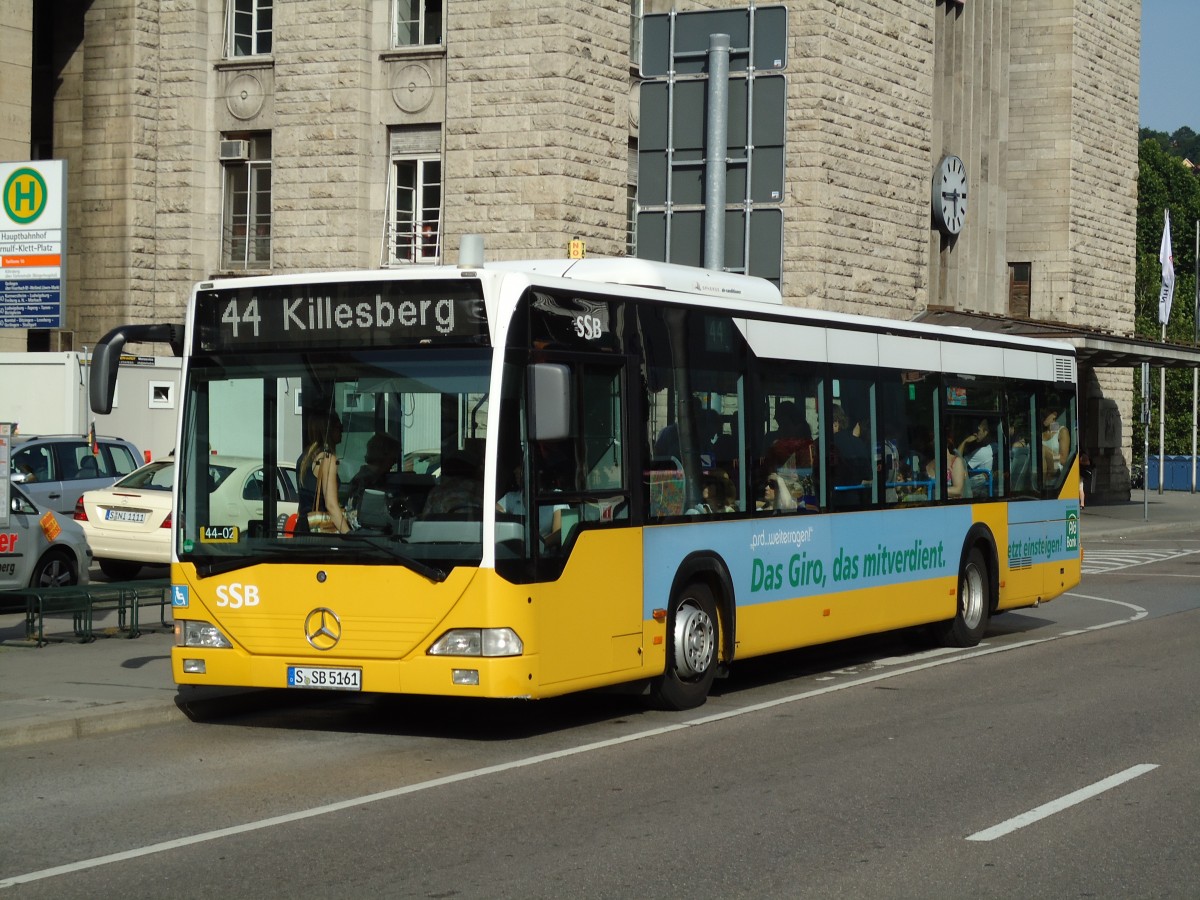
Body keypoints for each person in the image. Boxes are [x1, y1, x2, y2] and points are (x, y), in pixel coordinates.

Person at [297, 412, 351, 533]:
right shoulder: (327, 459)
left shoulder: (304, 458)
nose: (342, 431)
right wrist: (350, 535)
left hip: (303, 528)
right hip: (320, 533)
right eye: (339, 427)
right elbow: (331, 506)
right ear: (329, 430)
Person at [346, 432, 401, 527]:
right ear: (384, 454)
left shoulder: (378, 478)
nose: (395, 462)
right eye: (393, 457)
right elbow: (368, 515)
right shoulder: (365, 481)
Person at [957, 418, 994, 495]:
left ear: (985, 432)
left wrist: (965, 441)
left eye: (978, 430)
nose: (975, 434)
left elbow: (957, 461)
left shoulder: (983, 451)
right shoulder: (992, 447)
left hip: (976, 489)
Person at [927, 434, 970, 499]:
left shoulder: (956, 461)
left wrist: (937, 492)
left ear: (947, 443)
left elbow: (958, 490)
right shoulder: (928, 465)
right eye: (934, 442)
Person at [1042, 408, 1071, 480]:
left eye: (1045, 415)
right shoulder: (1041, 434)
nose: (1042, 418)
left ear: (1054, 415)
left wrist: (1047, 453)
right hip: (1041, 467)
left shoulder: (1061, 431)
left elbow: (1063, 460)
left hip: (1057, 466)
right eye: (1041, 416)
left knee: (1041, 448)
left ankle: (1042, 482)